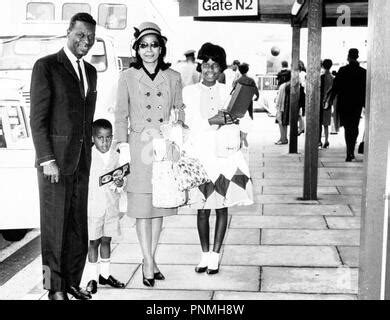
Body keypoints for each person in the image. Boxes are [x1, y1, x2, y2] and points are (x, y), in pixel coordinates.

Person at [30, 12, 97, 300]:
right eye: (81, 35)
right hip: (54, 163)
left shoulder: (91, 72)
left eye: (91, 38)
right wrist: (47, 159)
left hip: (81, 160)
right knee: (53, 231)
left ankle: (71, 281)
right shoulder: (46, 66)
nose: (86, 41)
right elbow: (38, 118)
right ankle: (52, 288)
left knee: (77, 227)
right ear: (68, 32)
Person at [114, 22, 185, 287]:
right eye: (143, 45)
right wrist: (122, 148)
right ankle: (147, 260)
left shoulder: (174, 77)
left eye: (154, 45)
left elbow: (180, 110)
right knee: (142, 209)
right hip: (139, 148)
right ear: (137, 48)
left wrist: (177, 135)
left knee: (159, 208)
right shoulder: (127, 77)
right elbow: (120, 115)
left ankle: (151, 259)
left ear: (161, 47)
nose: (149, 50)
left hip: (164, 148)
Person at [183, 42, 253, 275]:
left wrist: (236, 122)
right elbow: (190, 125)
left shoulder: (228, 91)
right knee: (202, 209)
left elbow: (243, 118)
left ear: (222, 68)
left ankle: (215, 256)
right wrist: (213, 121)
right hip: (200, 157)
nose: (210, 69)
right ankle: (203, 255)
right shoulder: (189, 92)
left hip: (224, 158)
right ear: (200, 65)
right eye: (206, 64)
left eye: (215, 65)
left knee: (222, 207)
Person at [84, 119, 126, 295]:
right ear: (93, 138)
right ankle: (92, 278)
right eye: (100, 138)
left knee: (107, 240)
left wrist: (120, 181)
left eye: (108, 138)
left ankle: (105, 275)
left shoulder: (116, 156)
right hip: (93, 207)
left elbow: (121, 181)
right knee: (93, 241)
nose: (105, 142)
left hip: (111, 207)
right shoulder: (88, 156)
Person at [330, 48, 367, 162]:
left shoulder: (343, 70)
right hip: (357, 104)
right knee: (354, 126)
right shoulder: (363, 72)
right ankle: (351, 150)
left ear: (349, 56)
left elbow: (336, 87)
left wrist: (330, 100)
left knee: (347, 128)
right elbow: (365, 89)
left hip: (344, 103)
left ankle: (349, 152)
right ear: (357, 56)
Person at [319, 59, 334, 149]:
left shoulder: (322, 77)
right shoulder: (332, 78)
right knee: (326, 123)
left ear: (323, 66)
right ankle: (327, 140)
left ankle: (319, 141)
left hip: (321, 101)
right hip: (329, 102)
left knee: (320, 122)